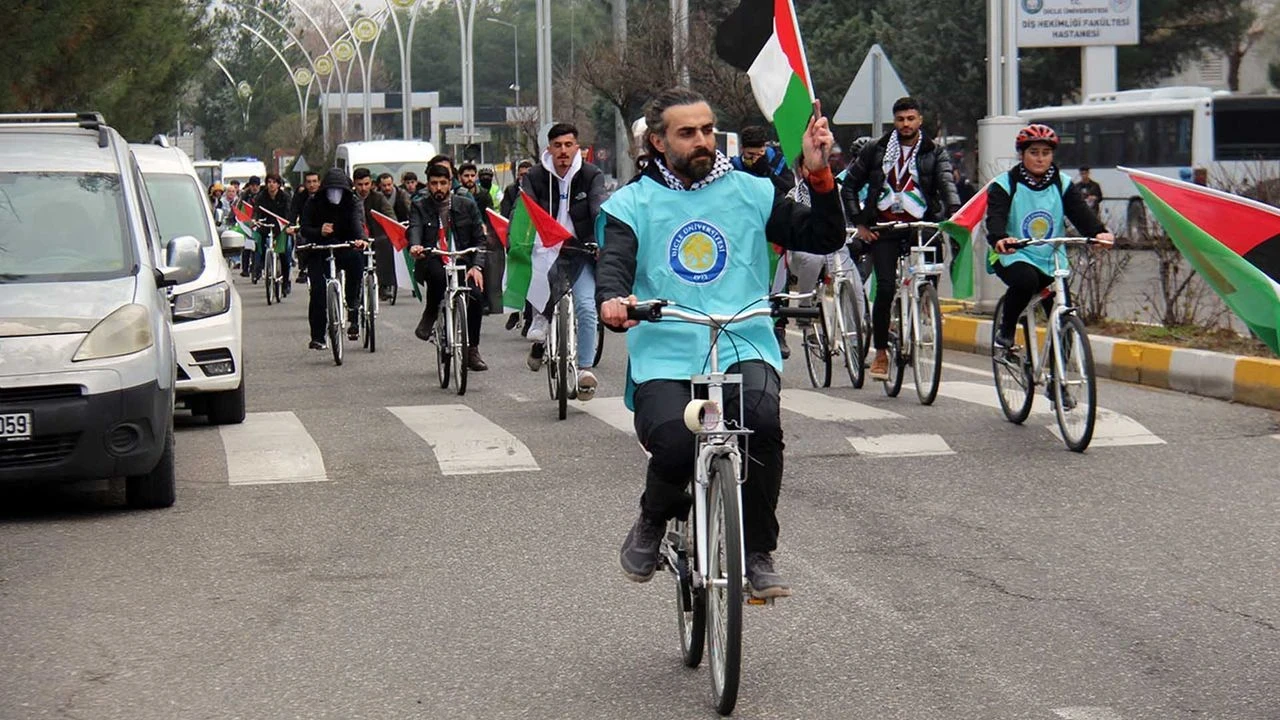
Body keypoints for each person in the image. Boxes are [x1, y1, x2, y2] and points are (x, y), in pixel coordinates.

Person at [597, 86, 844, 597]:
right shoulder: (631, 203)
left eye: (707, 129)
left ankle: (757, 553)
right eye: (688, 133)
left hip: (743, 341)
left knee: (761, 423)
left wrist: (819, 175)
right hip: (666, 352)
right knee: (674, 440)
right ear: (659, 143)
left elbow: (822, 237)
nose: (703, 140)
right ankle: (652, 519)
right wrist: (614, 300)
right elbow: (615, 263)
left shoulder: (752, 191)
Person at [841, 96, 961, 381]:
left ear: (920, 121)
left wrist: (954, 211)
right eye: (900, 119)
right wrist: (859, 223)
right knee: (884, 288)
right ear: (894, 122)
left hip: (922, 224)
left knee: (932, 268)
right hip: (884, 228)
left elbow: (946, 182)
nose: (906, 124)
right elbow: (849, 186)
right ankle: (881, 353)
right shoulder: (876, 150)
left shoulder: (935, 151)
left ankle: (923, 307)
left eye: (911, 119)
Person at [987, 124, 1114, 356]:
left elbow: (1080, 213)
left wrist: (1098, 233)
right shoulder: (1005, 184)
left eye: (1045, 153)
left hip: (1052, 257)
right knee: (1026, 281)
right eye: (1033, 152)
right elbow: (995, 217)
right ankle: (1005, 332)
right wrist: (1000, 238)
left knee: (1063, 317)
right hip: (1014, 253)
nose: (1040, 159)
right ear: (1022, 154)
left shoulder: (1062, 183)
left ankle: (1059, 383)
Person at [521, 122, 606, 400]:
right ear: (549, 148)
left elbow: (598, 209)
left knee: (585, 305)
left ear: (577, 147)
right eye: (557, 145)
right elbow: (525, 211)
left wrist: (601, 241)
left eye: (568, 145)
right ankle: (540, 335)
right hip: (546, 248)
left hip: (579, 248)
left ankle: (584, 369)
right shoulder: (534, 176)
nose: (563, 151)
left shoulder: (591, 175)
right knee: (542, 300)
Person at [408, 164, 490, 372]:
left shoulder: (466, 205)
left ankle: (472, 349)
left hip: (463, 258)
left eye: (443, 183)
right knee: (436, 277)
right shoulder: (419, 205)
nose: (438, 188)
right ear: (428, 184)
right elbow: (415, 228)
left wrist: (477, 266)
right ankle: (431, 312)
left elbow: (480, 239)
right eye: (434, 183)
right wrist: (415, 246)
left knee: (476, 296)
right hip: (434, 257)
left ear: (450, 183)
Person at [299, 168, 369, 348]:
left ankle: (353, 304)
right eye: (331, 190)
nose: (335, 194)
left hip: (343, 246)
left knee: (356, 263)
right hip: (319, 249)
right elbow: (304, 228)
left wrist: (361, 239)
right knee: (317, 290)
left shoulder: (351, 202)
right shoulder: (313, 203)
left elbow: (356, 222)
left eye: (339, 190)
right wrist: (319, 231)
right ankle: (317, 336)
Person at [353, 167, 398, 302]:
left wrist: (395, 226)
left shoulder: (378, 197)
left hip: (375, 235)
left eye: (366, 184)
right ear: (354, 184)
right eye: (360, 185)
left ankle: (385, 284)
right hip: (356, 235)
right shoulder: (349, 198)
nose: (363, 188)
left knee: (386, 243)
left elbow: (389, 215)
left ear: (371, 183)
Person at [252, 173, 292, 288]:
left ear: (279, 184)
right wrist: (255, 220)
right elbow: (256, 210)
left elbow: (288, 212)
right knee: (259, 246)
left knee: (286, 250)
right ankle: (261, 268)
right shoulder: (261, 196)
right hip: (266, 226)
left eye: (274, 182)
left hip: (281, 228)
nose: (271, 185)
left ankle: (285, 280)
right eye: (269, 182)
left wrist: (288, 224)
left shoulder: (285, 196)